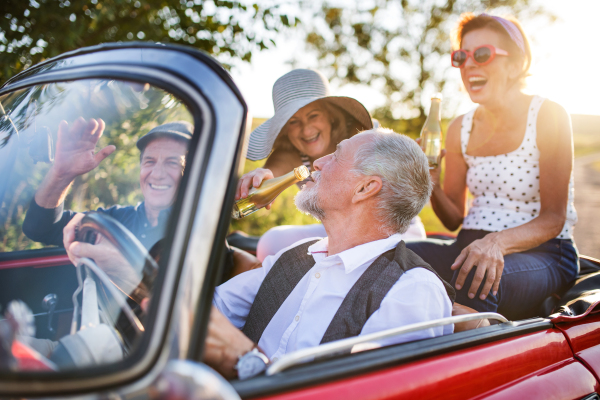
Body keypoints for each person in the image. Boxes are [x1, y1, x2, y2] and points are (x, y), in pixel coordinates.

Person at [207, 128, 455, 379]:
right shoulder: (297, 254)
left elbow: (368, 394)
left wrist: (246, 360)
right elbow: (207, 310)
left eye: (335, 156)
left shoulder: (412, 290)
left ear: (365, 187)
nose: (317, 162)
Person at [406, 13, 578, 320]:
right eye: (461, 56)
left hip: (545, 252)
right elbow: (453, 218)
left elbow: (554, 218)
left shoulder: (548, 115)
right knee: (393, 254)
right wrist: (430, 182)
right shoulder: (460, 127)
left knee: (480, 274)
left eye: (482, 54)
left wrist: (496, 243)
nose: (469, 64)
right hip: (470, 245)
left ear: (515, 64)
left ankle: (463, 359)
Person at [237, 69, 427, 261]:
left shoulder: (361, 139)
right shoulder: (291, 154)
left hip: (389, 229)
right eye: (294, 121)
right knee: (271, 242)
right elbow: (271, 174)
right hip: (339, 229)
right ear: (285, 129)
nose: (306, 129)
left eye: (313, 116)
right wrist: (260, 177)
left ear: (331, 115)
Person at [23, 118, 192, 252]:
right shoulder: (114, 222)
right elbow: (40, 228)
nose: (157, 174)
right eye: (149, 162)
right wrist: (61, 175)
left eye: (173, 163)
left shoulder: (203, 235)